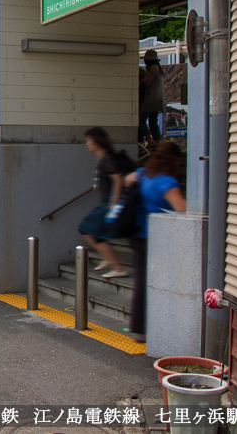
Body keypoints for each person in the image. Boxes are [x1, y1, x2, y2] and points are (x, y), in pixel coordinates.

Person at [124, 141, 186, 342]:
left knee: (142, 280)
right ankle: (153, 325)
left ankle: (139, 326)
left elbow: (127, 179)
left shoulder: (143, 173)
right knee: (157, 281)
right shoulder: (167, 183)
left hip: (135, 232)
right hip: (156, 238)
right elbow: (182, 209)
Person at [77, 127, 135, 277]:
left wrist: (114, 204)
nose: (87, 144)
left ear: (98, 141)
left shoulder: (108, 158)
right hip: (107, 202)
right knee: (95, 232)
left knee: (85, 228)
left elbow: (117, 180)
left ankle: (117, 267)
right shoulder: (103, 158)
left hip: (109, 203)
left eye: (90, 140)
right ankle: (109, 260)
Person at [139, 49, 165, 146]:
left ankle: (149, 140)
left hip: (150, 100)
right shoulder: (159, 69)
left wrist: (140, 81)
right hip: (158, 101)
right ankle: (158, 142)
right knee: (153, 122)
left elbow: (148, 81)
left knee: (141, 120)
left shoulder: (153, 68)